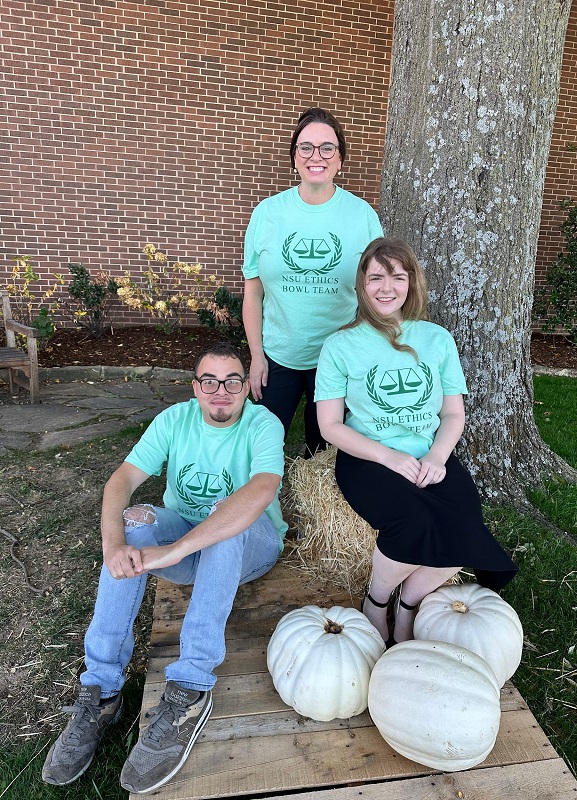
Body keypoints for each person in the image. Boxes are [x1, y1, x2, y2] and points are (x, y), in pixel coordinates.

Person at [42, 340, 287, 794]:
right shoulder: (174, 420)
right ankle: (102, 690)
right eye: (209, 382)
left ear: (245, 387)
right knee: (135, 525)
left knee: (226, 520)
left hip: (250, 546)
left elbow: (261, 492)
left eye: (232, 381)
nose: (221, 391)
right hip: (185, 538)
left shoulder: (263, 424)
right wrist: (114, 543)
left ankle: (190, 688)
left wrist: (173, 552)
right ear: (195, 388)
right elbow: (122, 481)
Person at [315, 238, 517, 645]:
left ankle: (409, 602)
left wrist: (439, 457)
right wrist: (389, 457)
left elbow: (453, 414)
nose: (386, 287)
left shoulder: (436, 339)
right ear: (362, 285)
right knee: (412, 521)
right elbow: (331, 426)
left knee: (465, 527)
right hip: (368, 458)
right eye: (375, 277)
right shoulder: (340, 345)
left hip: (428, 455)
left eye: (397, 277)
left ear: (411, 284)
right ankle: (376, 599)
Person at [242, 107, 383, 456]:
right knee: (259, 443)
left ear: (340, 159)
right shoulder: (266, 214)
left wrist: (367, 352)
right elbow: (253, 292)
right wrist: (256, 356)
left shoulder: (362, 216)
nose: (315, 156)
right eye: (305, 147)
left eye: (326, 148)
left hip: (338, 356)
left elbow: (377, 292)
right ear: (294, 158)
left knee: (324, 451)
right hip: (278, 353)